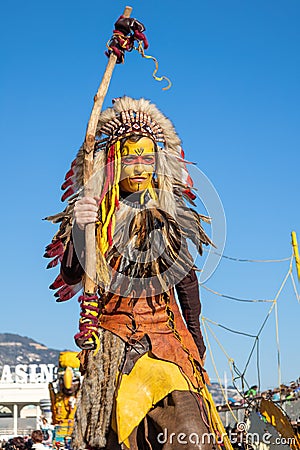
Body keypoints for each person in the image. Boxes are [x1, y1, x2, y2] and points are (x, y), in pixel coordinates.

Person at [45, 97, 230, 450]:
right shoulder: (94, 216)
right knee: (103, 439)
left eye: (148, 158)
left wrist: (196, 341)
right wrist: (80, 228)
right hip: (112, 343)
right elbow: (71, 275)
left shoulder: (167, 216)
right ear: (113, 164)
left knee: (194, 436)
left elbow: (187, 285)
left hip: (167, 341)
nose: (140, 168)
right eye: (131, 158)